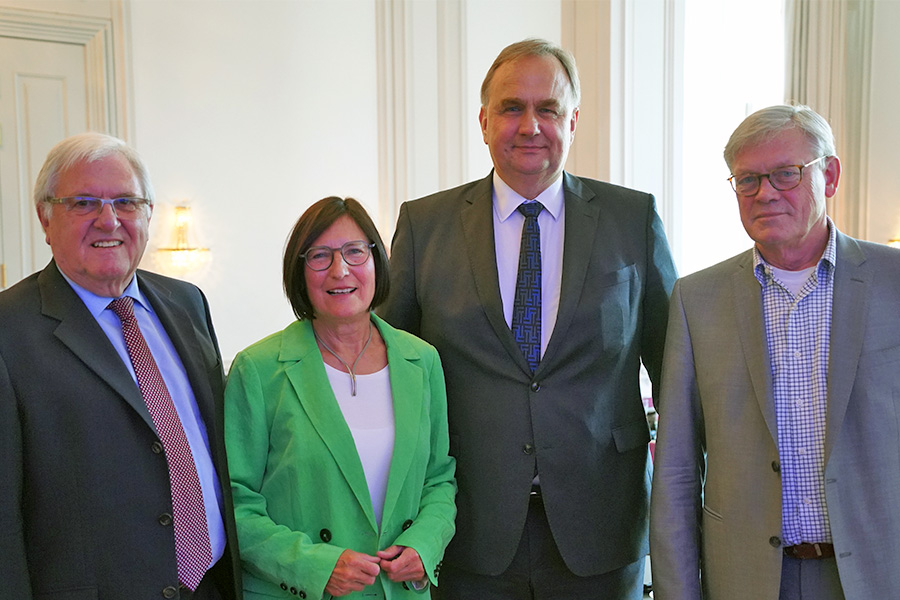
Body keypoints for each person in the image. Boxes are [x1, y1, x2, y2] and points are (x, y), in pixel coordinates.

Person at [379, 38, 677, 599]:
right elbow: (392, 372)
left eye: (548, 109)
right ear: (485, 121)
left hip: (603, 525)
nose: (530, 126)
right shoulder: (425, 225)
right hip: (468, 528)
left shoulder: (631, 218)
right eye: (512, 108)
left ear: (573, 120)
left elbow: (675, 372)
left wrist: (687, 507)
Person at [649, 104, 900, 600]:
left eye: (785, 174)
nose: (765, 193)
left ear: (828, 176)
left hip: (876, 572)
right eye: (748, 180)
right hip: (747, 578)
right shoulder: (697, 300)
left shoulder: (893, 282)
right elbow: (676, 471)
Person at [0, 132, 242, 599]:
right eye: (84, 203)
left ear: (149, 214)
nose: (108, 219)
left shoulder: (187, 303)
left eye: (126, 201)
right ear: (45, 218)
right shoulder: (9, 332)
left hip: (212, 586)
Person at [224, 196, 457, 600]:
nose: (340, 270)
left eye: (354, 251)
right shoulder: (257, 369)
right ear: (300, 272)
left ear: (376, 261)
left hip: (397, 591)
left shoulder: (421, 360)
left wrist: (425, 543)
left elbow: (439, 478)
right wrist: (316, 566)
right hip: (299, 591)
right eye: (320, 256)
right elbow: (234, 502)